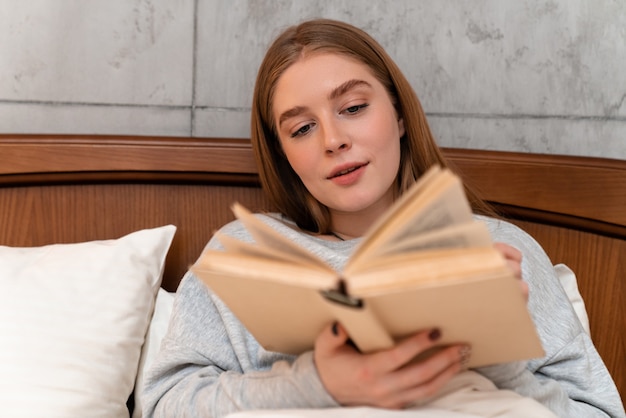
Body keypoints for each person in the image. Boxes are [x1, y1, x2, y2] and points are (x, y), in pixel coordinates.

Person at [142, 18, 624, 418]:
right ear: (283, 152)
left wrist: (493, 360)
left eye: (352, 107)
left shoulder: (494, 245)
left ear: (397, 115)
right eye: (302, 128)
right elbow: (163, 404)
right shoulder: (245, 251)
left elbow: (599, 412)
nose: (332, 140)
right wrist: (314, 383)